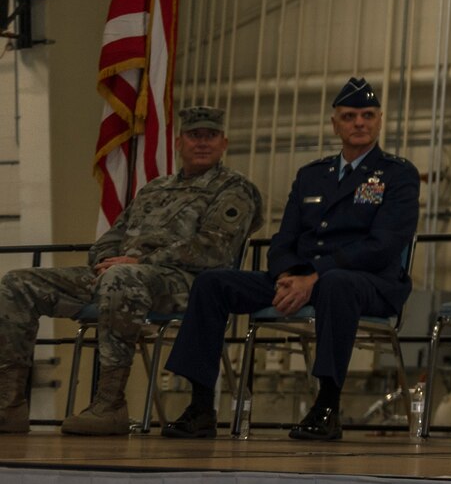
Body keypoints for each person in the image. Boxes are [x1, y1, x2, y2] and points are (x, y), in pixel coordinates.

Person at [161, 77, 419, 442]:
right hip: (303, 280)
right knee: (212, 283)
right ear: (335, 124)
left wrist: (313, 275)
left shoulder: (398, 174)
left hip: (370, 283)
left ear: (378, 121)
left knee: (336, 283)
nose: (358, 123)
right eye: (349, 116)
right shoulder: (311, 175)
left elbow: (384, 245)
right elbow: (284, 240)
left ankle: (326, 406)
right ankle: (201, 405)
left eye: (367, 115)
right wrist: (287, 276)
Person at [0, 107, 263, 436]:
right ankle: (9, 404)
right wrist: (106, 260)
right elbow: (111, 237)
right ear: (179, 142)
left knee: (122, 278)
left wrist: (139, 263)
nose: (202, 143)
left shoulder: (234, 189)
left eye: (210, 136)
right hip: (122, 276)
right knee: (18, 283)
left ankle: (110, 404)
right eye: (195, 136)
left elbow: (214, 248)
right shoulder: (155, 188)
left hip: (186, 285)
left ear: (223, 143)